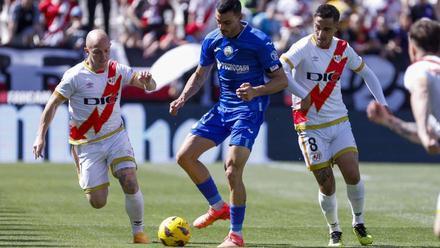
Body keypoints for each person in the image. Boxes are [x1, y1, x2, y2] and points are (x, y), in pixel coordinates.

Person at [169, 0, 287, 246]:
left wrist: (255, 91)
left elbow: (281, 81)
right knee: (185, 156)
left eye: (227, 23)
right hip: (223, 108)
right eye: (219, 22)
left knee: (232, 168)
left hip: (249, 110)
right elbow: (200, 74)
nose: (222, 27)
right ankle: (217, 207)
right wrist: (182, 98)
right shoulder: (212, 39)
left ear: (240, 17)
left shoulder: (259, 41)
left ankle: (236, 235)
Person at [32, 29, 156, 244]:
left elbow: (151, 87)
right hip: (86, 143)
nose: (104, 57)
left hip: (116, 136)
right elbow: (52, 105)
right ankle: (82, 168)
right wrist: (39, 136)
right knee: (98, 202)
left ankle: (139, 233)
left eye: (107, 51)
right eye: (98, 52)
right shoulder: (74, 76)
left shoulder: (118, 70)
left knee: (129, 178)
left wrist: (148, 81)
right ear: (86, 50)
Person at [280, 4, 389, 247]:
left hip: (339, 121)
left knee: (352, 173)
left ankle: (358, 222)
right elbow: (280, 70)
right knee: (326, 183)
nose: (321, 34)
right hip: (309, 124)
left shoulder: (343, 48)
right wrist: (301, 93)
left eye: (327, 29)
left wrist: (382, 103)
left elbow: (368, 74)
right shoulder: (302, 47)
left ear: (336, 28)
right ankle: (334, 229)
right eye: (318, 28)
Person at [366, 18, 440, 238]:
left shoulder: (419, 69)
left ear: (413, 47)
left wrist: (426, 135)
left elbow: (421, 91)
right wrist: (391, 122)